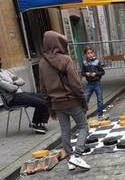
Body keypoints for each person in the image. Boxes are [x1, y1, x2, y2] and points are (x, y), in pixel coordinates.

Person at [40, 31, 92, 171]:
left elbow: (43, 89)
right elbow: (75, 84)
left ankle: (70, 159)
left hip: (57, 103)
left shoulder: (42, 63)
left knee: (65, 130)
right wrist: (83, 100)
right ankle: (77, 155)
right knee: (83, 126)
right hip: (71, 100)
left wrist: (50, 108)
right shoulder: (65, 59)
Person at [0, 50, 49, 133]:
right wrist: (14, 83)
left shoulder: (3, 71)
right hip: (12, 99)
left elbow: (22, 81)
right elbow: (11, 89)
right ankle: (35, 124)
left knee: (45, 97)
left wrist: (13, 83)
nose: (1, 62)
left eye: (0, 59)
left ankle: (41, 122)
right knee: (41, 102)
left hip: (20, 94)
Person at [82, 46, 106, 119]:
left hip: (97, 83)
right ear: (85, 54)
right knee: (85, 98)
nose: (90, 55)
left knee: (100, 99)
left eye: (91, 53)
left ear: (93, 53)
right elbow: (82, 72)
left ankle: (100, 114)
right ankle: (83, 115)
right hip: (89, 83)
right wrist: (87, 74)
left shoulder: (97, 62)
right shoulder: (84, 63)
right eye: (88, 53)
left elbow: (102, 72)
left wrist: (96, 73)